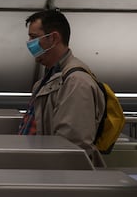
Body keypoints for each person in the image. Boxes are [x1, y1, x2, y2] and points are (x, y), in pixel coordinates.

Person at [18, 9, 106, 167]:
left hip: (57, 178)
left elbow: (71, 147)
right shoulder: (45, 81)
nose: (29, 43)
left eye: (34, 37)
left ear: (54, 38)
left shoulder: (76, 82)